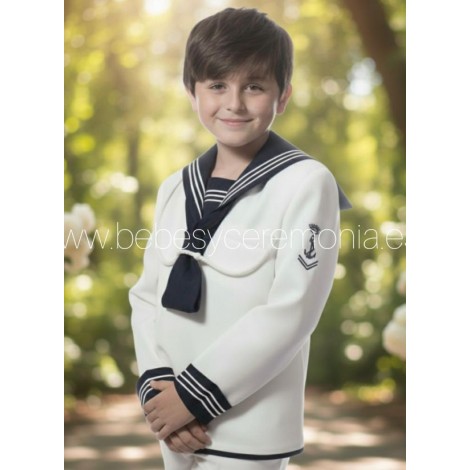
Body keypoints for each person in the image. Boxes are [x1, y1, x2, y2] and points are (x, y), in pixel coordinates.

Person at [130, 7, 351, 470]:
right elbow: (147, 296)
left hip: (249, 428)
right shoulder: (175, 187)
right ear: (191, 91)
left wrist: (193, 397)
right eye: (216, 85)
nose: (234, 103)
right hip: (174, 425)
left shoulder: (306, 182)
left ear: (283, 95)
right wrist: (157, 388)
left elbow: (292, 311)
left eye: (254, 86)